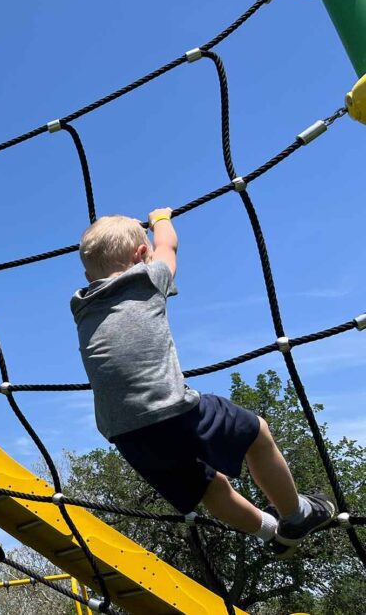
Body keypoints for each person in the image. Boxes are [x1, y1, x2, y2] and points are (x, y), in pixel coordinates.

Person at [69, 209, 335, 555]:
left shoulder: (81, 306)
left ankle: (274, 535)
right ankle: (296, 514)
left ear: (88, 276)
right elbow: (168, 247)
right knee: (258, 433)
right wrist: (161, 219)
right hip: (172, 412)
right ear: (140, 256)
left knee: (209, 489)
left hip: (126, 437)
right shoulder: (146, 279)